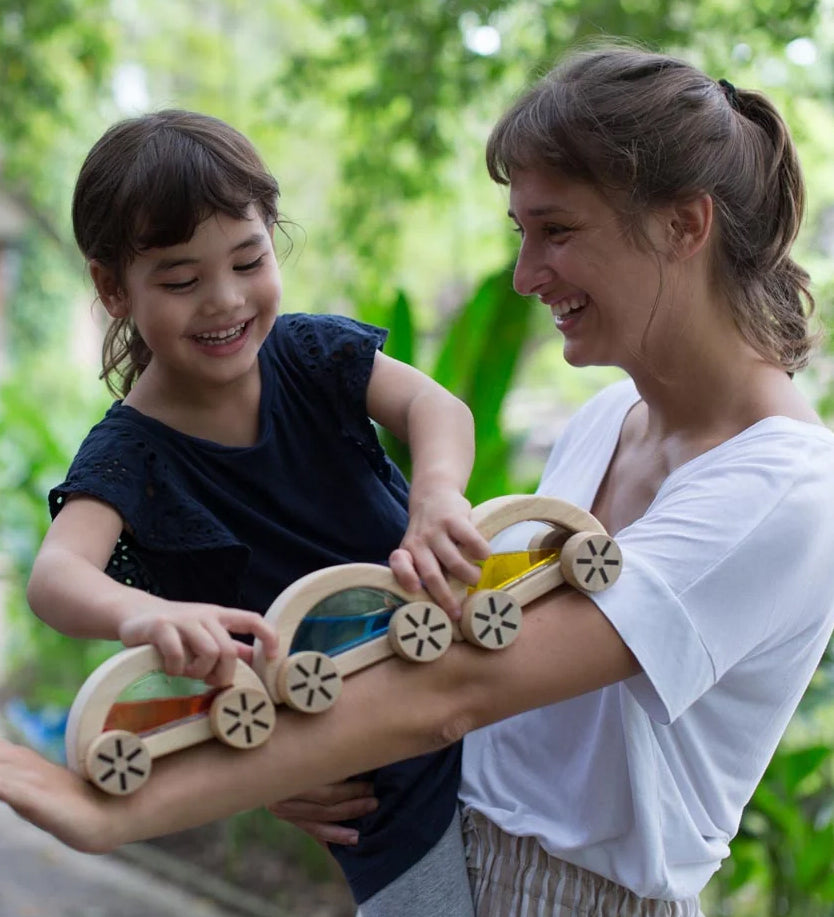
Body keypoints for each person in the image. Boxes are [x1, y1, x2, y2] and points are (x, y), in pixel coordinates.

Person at [3, 42, 834, 917]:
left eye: (557, 231)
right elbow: (477, 679)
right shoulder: (605, 422)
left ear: (684, 223)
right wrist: (296, 747)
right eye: (523, 234)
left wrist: (115, 811)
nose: (523, 276)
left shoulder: (781, 493)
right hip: (438, 837)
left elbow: (456, 691)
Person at [22, 109, 491, 917]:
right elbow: (56, 576)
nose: (226, 299)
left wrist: (438, 493)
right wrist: (144, 616)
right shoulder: (130, 457)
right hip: (365, 779)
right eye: (181, 279)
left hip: (475, 671)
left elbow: (436, 407)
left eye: (248, 259)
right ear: (112, 289)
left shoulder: (311, 354)